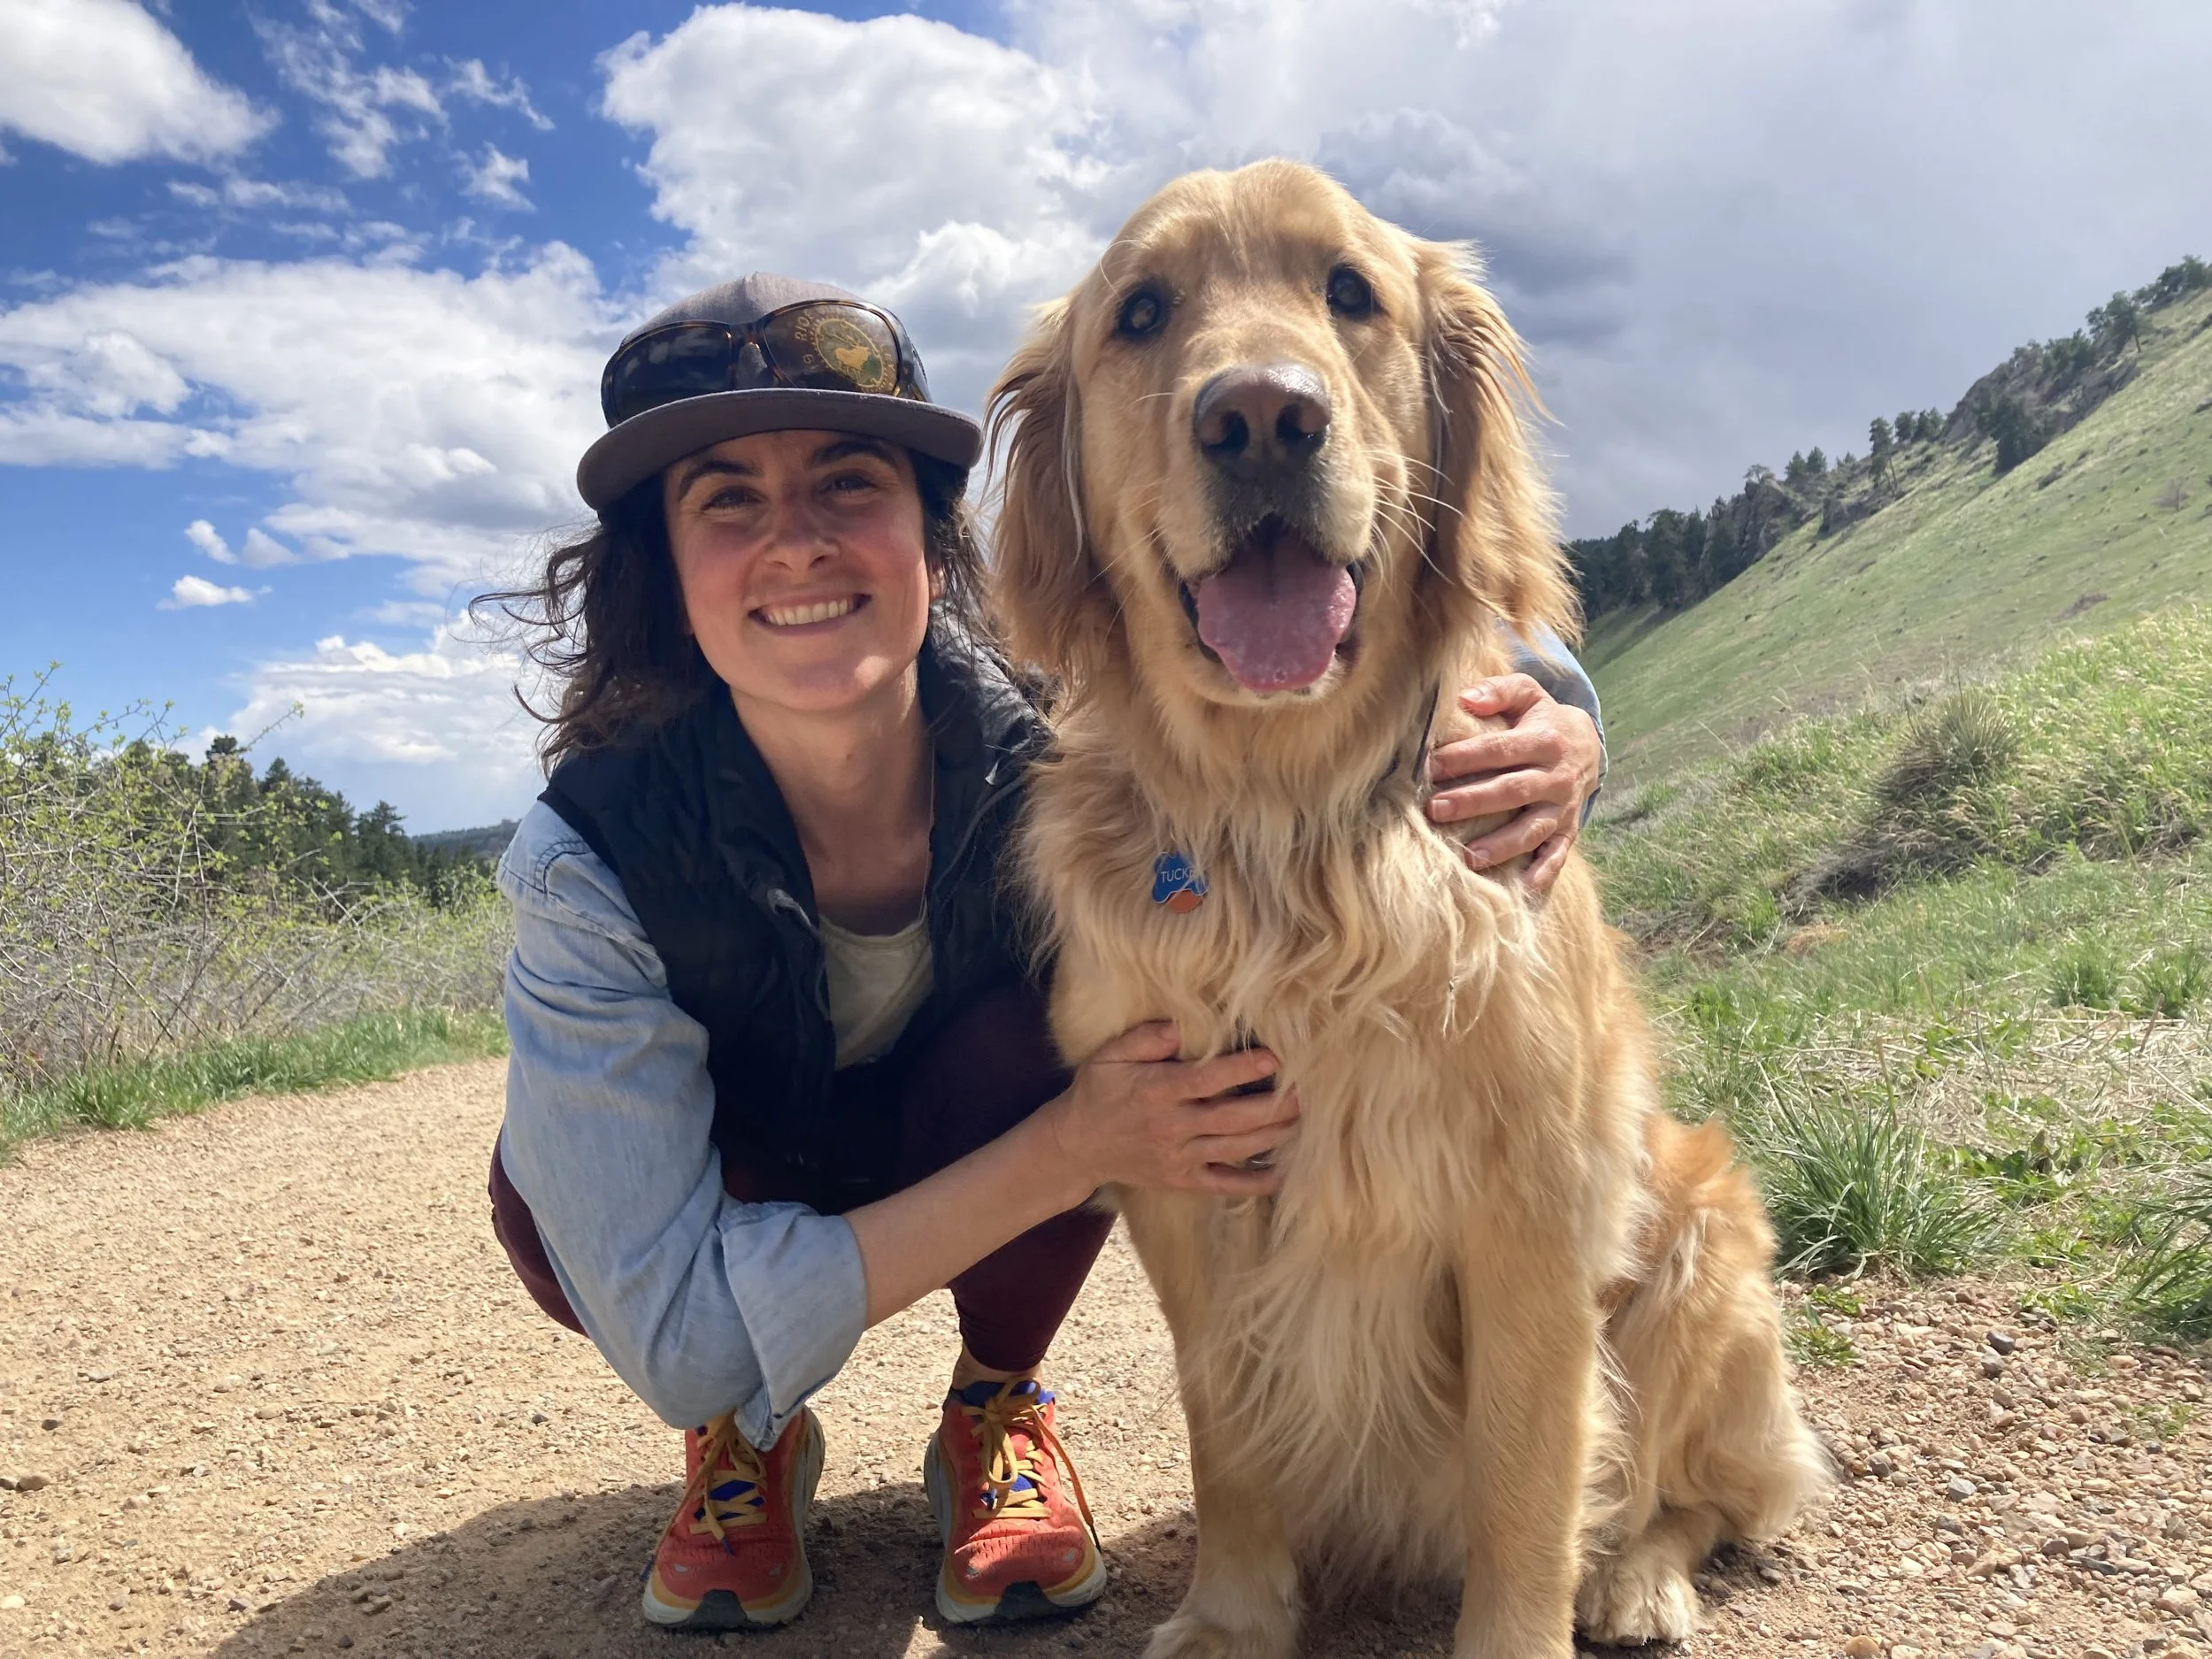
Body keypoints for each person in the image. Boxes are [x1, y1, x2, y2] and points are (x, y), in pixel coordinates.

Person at [479, 274, 1607, 1634]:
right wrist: (1080, 1144)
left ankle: (995, 1405)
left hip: (952, 1125)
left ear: (932, 541)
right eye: (726, 500)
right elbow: (678, 1330)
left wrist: (1562, 715)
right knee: (558, 1202)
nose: (797, 544)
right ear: (662, 569)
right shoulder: (585, 859)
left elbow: (1388, 613)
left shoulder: (1060, 759)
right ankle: (746, 1438)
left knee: (1084, 1022)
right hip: (763, 1174)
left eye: (850, 484)